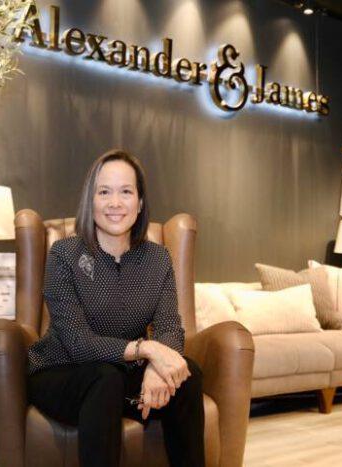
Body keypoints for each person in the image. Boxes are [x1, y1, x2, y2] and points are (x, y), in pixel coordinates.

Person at [27, 149, 205, 467]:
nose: (115, 203)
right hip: (62, 373)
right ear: (90, 201)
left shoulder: (158, 259)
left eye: (126, 192)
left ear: (140, 202)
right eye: (104, 192)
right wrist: (145, 349)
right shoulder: (64, 254)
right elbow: (78, 343)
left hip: (120, 378)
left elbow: (169, 327)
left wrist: (156, 369)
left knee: (186, 376)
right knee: (105, 379)